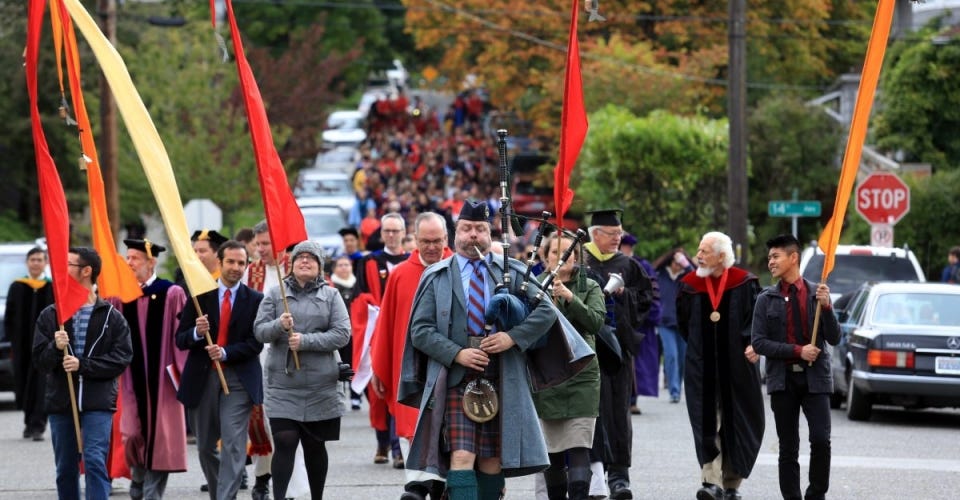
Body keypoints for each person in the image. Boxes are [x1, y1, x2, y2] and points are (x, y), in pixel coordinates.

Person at [397, 199, 559, 500]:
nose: (474, 235)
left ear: (491, 234)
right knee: (461, 455)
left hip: (502, 375)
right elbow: (420, 331)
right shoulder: (436, 276)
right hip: (456, 377)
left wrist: (512, 337)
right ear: (455, 233)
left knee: (492, 460)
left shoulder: (511, 271)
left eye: (481, 229)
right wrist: (456, 353)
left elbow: (546, 311)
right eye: (467, 228)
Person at [33, 247, 133, 500]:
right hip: (61, 402)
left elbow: (121, 359)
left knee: (94, 461)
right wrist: (55, 348)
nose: (61, 270)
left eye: (69, 265)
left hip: (97, 402)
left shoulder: (112, 317)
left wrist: (83, 365)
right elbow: (40, 361)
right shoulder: (52, 315)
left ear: (87, 271)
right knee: (65, 467)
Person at [255, 240, 350, 500]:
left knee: (314, 445)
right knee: (284, 440)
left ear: (319, 266)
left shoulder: (331, 295)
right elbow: (259, 331)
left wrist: (306, 341)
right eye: (299, 258)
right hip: (283, 384)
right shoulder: (276, 294)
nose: (304, 261)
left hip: (321, 385)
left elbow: (342, 334)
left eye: (311, 258)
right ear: (292, 264)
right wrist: (278, 325)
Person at [369, 212, 452, 500]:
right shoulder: (400, 274)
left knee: (448, 433)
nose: (431, 247)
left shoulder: (458, 269)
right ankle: (419, 487)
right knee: (413, 431)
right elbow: (386, 326)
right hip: (412, 372)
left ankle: (433, 489)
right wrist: (379, 369)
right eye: (425, 241)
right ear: (414, 240)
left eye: (437, 240)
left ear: (446, 239)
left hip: (449, 369)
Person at [676, 231, 764, 500]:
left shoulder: (744, 283)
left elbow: (756, 323)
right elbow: (684, 325)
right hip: (701, 368)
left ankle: (732, 485)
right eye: (698, 251)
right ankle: (710, 481)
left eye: (704, 252)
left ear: (722, 257)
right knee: (706, 423)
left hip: (738, 367)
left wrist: (753, 345)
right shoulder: (690, 285)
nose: (697, 257)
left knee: (736, 422)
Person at [752, 234, 840, 500]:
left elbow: (834, 338)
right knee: (788, 447)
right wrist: (798, 350)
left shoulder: (818, 293)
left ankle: (816, 495)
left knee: (821, 441)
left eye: (776, 256)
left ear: (793, 258)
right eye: (769, 258)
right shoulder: (765, 299)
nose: (771, 262)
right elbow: (758, 343)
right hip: (783, 380)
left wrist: (827, 309)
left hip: (816, 379)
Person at [176, 240, 265, 500]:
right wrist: (196, 331)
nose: (236, 267)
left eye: (241, 263)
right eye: (231, 262)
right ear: (219, 262)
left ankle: (227, 497)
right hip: (203, 379)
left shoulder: (255, 300)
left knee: (234, 445)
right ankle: (220, 493)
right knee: (205, 447)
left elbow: (255, 342)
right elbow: (180, 339)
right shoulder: (199, 295)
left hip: (238, 380)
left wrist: (227, 352)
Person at [581, 209, 654, 500]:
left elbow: (646, 300)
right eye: (613, 234)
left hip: (617, 350)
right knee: (591, 412)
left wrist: (625, 295)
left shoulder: (629, 265)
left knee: (618, 413)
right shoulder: (579, 260)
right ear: (595, 233)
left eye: (620, 234)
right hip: (585, 350)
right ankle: (592, 473)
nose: (618, 239)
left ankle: (619, 476)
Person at [534, 233, 605, 500]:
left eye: (567, 252)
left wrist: (570, 298)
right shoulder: (535, 285)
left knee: (578, 449)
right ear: (545, 256)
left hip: (581, 377)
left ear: (576, 257)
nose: (561, 258)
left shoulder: (590, 286)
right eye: (555, 252)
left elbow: (596, 323)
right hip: (547, 378)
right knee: (551, 456)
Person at [118, 239, 188, 499]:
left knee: (161, 438)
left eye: (134, 258)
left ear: (151, 262)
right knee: (133, 433)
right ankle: (137, 479)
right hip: (130, 380)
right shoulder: (121, 296)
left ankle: (151, 493)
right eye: (128, 258)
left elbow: (181, 341)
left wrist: (180, 374)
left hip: (162, 381)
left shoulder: (171, 293)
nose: (129, 263)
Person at [352, 212, 409, 467]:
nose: (391, 235)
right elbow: (360, 296)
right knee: (378, 389)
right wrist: (373, 306)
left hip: (405, 333)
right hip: (377, 332)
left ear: (404, 233)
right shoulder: (369, 262)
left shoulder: (412, 261)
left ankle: (398, 449)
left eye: (396, 231)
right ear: (381, 233)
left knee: (400, 388)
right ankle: (382, 442)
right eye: (387, 231)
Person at [4, 246, 53, 441]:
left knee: (42, 385)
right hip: (21, 345)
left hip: (45, 345)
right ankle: (28, 421)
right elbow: (9, 317)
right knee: (23, 382)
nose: (36, 263)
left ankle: (38, 425)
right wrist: (11, 341)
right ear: (27, 263)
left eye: (40, 260)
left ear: (45, 263)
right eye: (32, 260)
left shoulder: (51, 287)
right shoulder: (17, 286)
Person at [619, 233, 661, 416]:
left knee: (637, 364)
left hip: (638, 321)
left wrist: (647, 316)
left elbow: (651, 294)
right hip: (616, 321)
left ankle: (632, 400)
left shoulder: (641, 266)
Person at [654, 248, 694, 403]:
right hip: (665, 323)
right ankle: (674, 391)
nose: (679, 266)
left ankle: (680, 384)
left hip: (683, 323)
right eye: (676, 262)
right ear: (670, 261)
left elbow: (698, 276)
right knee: (671, 356)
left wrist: (686, 263)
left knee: (683, 358)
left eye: (681, 263)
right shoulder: (660, 274)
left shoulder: (687, 275)